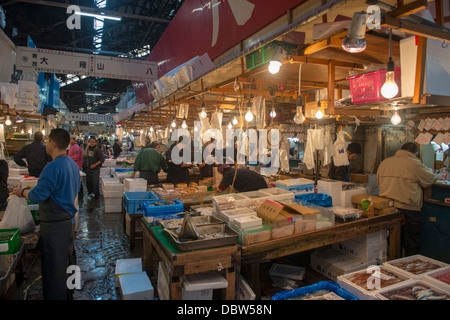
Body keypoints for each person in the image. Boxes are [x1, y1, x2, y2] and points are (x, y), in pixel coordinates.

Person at [13, 128, 80, 300]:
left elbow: (37, 195)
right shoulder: (72, 164)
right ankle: (70, 293)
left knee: (54, 270)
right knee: (68, 261)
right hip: (68, 221)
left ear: (53, 143)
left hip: (54, 225)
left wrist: (23, 192)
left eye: (47, 141)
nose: (45, 144)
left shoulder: (52, 167)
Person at [377, 142, 435, 256]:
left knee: (389, 241)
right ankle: (408, 268)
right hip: (409, 209)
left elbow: (378, 181)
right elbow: (429, 179)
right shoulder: (414, 164)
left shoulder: (385, 162)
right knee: (411, 244)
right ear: (415, 153)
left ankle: (392, 265)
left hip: (388, 208)